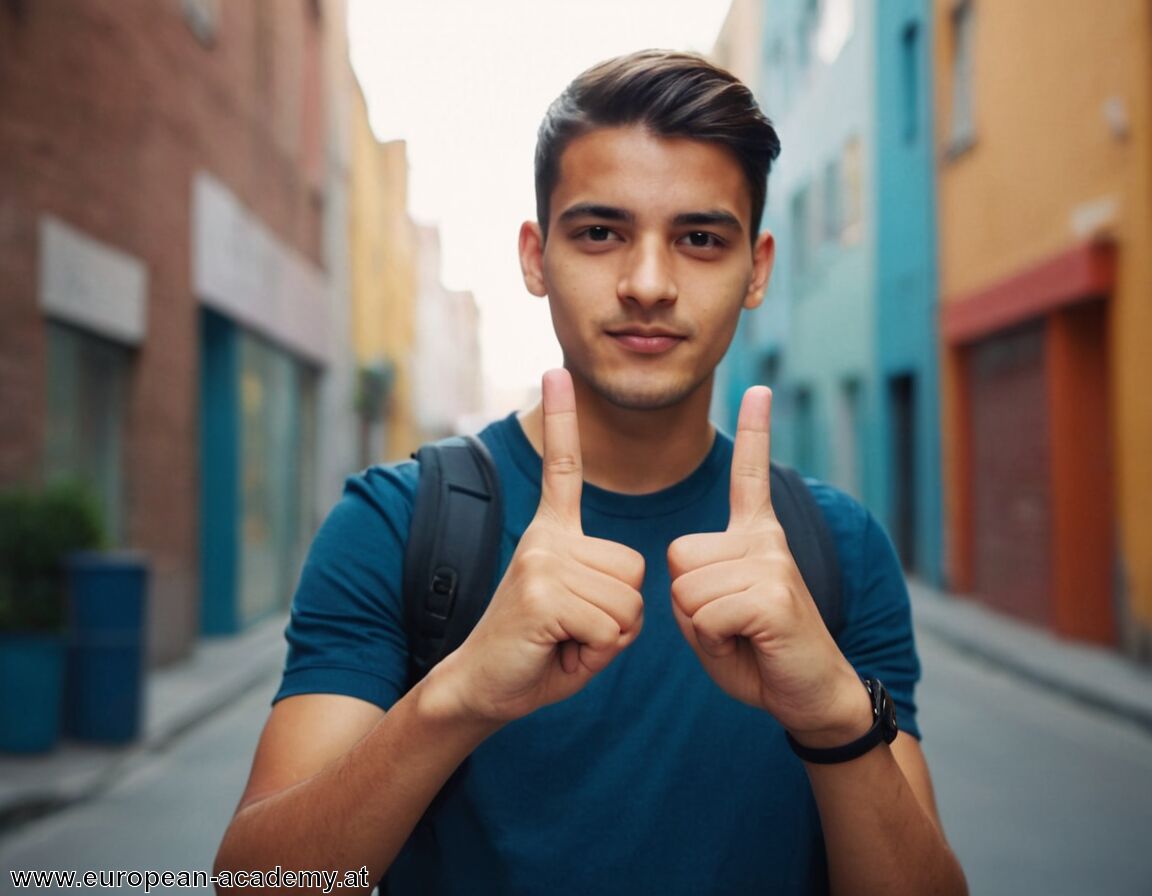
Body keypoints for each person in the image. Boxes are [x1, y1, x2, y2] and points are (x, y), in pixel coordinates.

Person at [215, 49, 967, 895]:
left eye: (700, 239)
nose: (648, 284)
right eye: (601, 233)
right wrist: (459, 693)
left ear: (757, 268)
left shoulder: (839, 548)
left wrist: (833, 711)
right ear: (535, 257)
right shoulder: (394, 525)